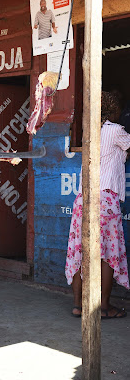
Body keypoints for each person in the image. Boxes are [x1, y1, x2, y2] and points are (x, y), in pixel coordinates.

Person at [65, 91, 130, 319]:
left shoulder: (89, 130)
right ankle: (103, 307)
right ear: (114, 110)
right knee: (107, 255)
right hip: (105, 199)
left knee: (80, 251)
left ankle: (77, 305)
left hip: (83, 198)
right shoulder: (116, 131)